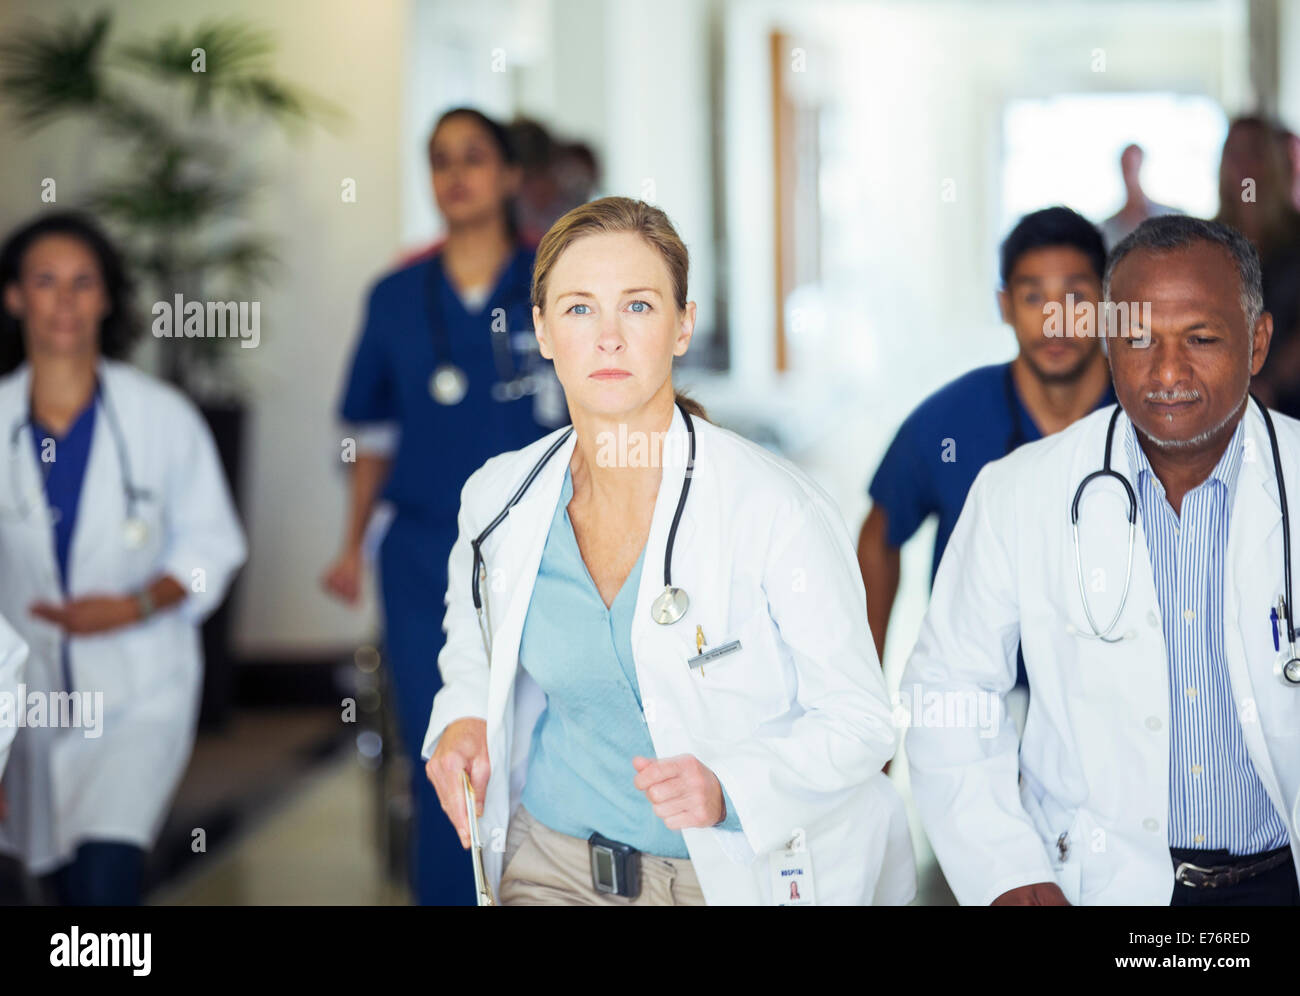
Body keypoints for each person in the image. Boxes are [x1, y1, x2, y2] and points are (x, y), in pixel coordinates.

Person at [422, 197, 915, 906]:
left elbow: (863, 721)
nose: (610, 338)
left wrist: (730, 786)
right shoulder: (499, 498)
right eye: (580, 309)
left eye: (641, 307)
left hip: (728, 876)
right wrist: (461, 721)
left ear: (683, 326)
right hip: (552, 863)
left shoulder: (776, 506)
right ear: (543, 331)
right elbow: (474, 648)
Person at [902, 215, 1300, 906]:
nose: (1168, 371)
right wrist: (1008, 873)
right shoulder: (1019, 491)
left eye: (1201, 339)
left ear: (1257, 341)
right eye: (1140, 338)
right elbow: (949, 691)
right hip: (1092, 884)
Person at [322, 107, 561, 906]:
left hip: (545, 550)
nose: (456, 174)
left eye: (474, 157)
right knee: (443, 746)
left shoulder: (554, 281)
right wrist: (350, 548)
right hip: (425, 556)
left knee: (541, 743)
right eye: (440, 159)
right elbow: (371, 436)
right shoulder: (393, 297)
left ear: (509, 177)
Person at [0, 212, 247, 905]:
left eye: (83, 283)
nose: (65, 301)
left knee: (106, 883)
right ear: (14, 297)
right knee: (51, 885)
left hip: (140, 692)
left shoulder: (160, 417)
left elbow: (214, 549)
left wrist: (135, 604)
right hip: (25, 707)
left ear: (106, 298)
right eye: (45, 282)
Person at [858, 207, 1115, 686]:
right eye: (1033, 296)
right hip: (981, 697)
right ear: (1004, 304)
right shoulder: (951, 420)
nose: (1054, 321)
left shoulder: (1146, 417)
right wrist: (870, 703)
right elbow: (879, 534)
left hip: (1116, 700)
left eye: (1075, 297)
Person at [1217, 116, 1300, 420]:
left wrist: (1272, 382)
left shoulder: (1294, 235)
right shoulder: (1207, 237)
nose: (1242, 164)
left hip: (1289, 399)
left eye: (1252, 151)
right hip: (1223, 397)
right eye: (1233, 152)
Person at [1099, 144, 1179, 250]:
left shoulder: (1172, 216)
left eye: (1133, 165)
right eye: (1126, 165)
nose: (1130, 172)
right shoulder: (1106, 228)